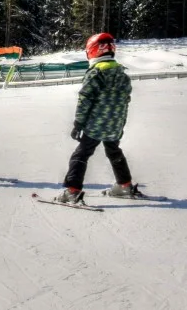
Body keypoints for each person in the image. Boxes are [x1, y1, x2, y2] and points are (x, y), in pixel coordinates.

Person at [55, 33, 137, 204]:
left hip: (96, 125)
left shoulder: (96, 72)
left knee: (81, 154)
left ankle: (72, 191)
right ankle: (125, 185)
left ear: (92, 51)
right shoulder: (122, 73)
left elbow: (85, 99)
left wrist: (78, 123)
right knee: (114, 152)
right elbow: (125, 101)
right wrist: (119, 125)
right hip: (115, 124)